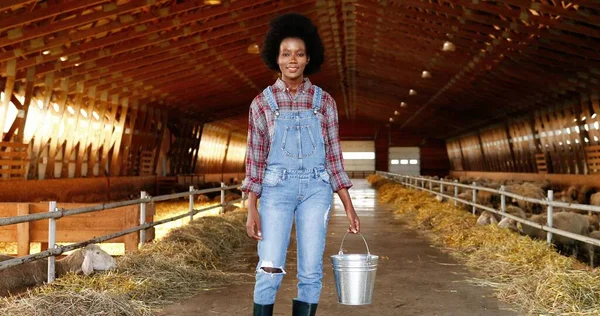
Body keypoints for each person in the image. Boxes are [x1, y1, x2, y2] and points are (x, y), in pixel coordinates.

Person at [241, 12, 360, 316]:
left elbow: (334, 158)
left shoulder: (324, 102)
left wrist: (348, 205)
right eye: (285, 54)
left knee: (310, 272)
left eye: (299, 53)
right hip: (275, 191)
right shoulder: (262, 104)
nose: (292, 59)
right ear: (276, 59)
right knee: (269, 268)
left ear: (309, 59)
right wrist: (251, 207)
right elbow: (254, 160)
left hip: (315, 191)